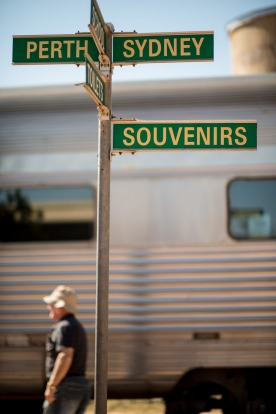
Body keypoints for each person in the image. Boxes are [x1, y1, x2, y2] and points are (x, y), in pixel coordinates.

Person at [42, 285, 91, 414]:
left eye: (51, 304)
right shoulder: (76, 325)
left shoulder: (64, 327)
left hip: (66, 386)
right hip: (80, 385)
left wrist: (51, 386)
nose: (49, 307)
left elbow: (65, 356)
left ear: (59, 306)